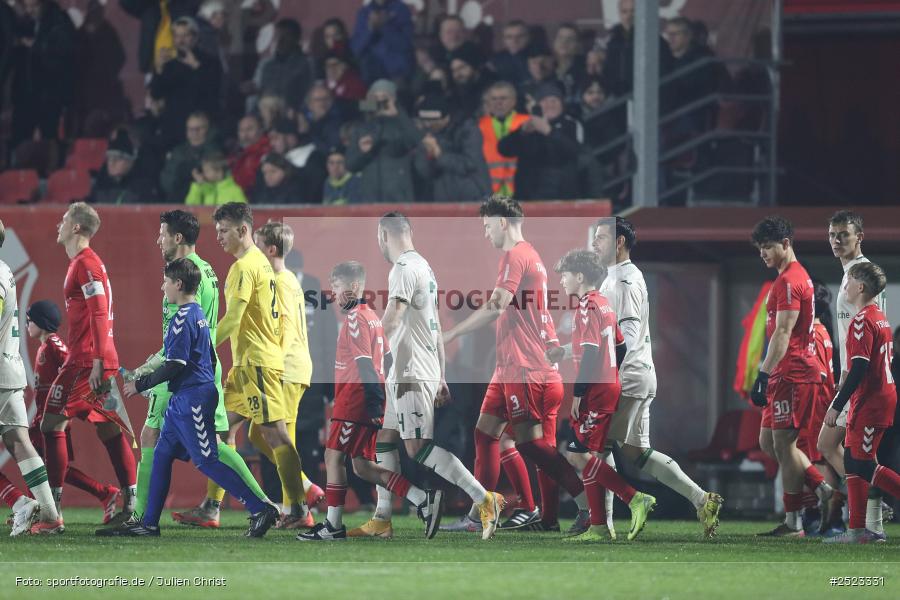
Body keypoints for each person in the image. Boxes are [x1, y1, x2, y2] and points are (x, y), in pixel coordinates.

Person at [98, 210, 267, 532]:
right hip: (192, 369)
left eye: (161, 234)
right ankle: (148, 520)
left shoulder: (192, 278)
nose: (157, 239)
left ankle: (260, 505)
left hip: (186, 374)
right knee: (184, 445)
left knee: (200, 450)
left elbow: (190, 335)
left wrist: (148, 372)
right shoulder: (200, 271)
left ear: (177, 238)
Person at [442, 197, 602, 535]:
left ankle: (589, 506)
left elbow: (496, 305)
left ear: (502, 222)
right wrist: (552, 346)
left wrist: (451, 333)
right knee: (486, 435)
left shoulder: (515, 256)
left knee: (530, 444)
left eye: (487, 226)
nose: (485, 235)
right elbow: (539, 314)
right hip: (511, 367)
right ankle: (485, 512)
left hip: (523, 367)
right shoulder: (533, 257)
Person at [351, 214, 503, 540]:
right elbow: (434, 327)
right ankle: (382, 517)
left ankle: (484, 499)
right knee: (383, 441)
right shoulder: (425, 267)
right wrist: (442, 374)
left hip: (411, 371)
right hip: (410, 370)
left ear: (383, 234)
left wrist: (371, 353)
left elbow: (394, 316)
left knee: (417, 447)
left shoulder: (404, 268)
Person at [570, 217, 723, 538]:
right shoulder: (615, 278)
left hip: (625, 377)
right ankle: (701, 499)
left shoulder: (624, 281)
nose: (594, 244)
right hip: (638, 374)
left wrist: (598, 376)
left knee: (592, 450)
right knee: (635, 452)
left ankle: (602, 524)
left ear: (620, 242)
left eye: (600, 238)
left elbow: (625, 333)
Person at [179, 203, 307, 526]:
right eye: (217, 230)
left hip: (257, 364)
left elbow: (233, 318)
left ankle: (299, 509)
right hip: (247, 364)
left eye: (224, 230)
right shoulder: (262, 263)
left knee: (276, 435)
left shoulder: (243, 268)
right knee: (221, 431)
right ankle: (212, 507)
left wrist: (200, 345)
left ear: (243, 230)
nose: (219, 237)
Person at [298, 260, 444, 541]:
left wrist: (373, 402)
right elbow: (387, 360)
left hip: (354, 401)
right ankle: (422, 500)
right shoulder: (373, 317)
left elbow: (366, 365)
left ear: (353, 286)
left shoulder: (355, 319)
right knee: (362, 467)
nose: (333, 292)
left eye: (337, 285)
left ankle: (333, 526)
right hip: (365, 400)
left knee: (332, 457)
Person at [36, 203, 137, 532]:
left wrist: (96, 361)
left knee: (51, 424)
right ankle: (129, 504)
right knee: (109, 428)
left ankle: (52, 513)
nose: (59, 224)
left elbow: (98, 311)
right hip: (97, 360)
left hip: (85, 362)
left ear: (77, 228)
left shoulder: (85, 263)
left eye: (64, 220)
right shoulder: (85, 263)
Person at [553, 249, 654, 541]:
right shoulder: (605, 305)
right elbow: (620, 347)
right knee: (590, 455)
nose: (562, 281)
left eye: (565, 275)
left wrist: (579, 393)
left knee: (577, 456)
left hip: (596, 391)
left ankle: (635, 498)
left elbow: (591, 353)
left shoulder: (586, 307)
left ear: (580, 276)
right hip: (607, 385)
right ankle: (598, 526)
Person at [750, 215, 832, 537]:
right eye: (760, 248)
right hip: (787, 372)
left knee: (785, 445)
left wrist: (762, 374)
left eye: (767, 247)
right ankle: (823, 490)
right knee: (768, 442)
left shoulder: (788, 281)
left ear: (786, 244)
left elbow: (783, 334)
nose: (763, 254)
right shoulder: (792, 277)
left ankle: (793, 522)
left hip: (793, 373)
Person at [817, 210, 888, 538]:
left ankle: (870, 506)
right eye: (832, 234)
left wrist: (847, 378)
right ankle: (866, 517)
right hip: (855, 378)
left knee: (836, 447)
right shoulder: (852, 274)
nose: (836, 240)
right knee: (843, 450)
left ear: (859, 237)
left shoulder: (861, 275)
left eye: (843, 234)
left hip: (860, 381)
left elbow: (866, 333)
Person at [822, 262, 900, 544]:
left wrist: (835, 404)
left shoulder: (862, 321)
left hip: (872, 401)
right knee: (853, 460)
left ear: (861, 287)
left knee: (862, 463)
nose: (845, 285)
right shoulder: (879, 317)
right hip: (872, 399)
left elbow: (858, 368)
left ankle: (866, 530)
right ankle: (857, 531)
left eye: (849, 280)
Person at [25, 300, 119, 523]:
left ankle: (36, 510)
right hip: (44, 417)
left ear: (41, 322)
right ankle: (103, 493)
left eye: (30, 320)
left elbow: (71, 365)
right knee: (45, 464)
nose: (27, 324)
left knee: (35, 462)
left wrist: (65, 411)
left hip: (52, 417)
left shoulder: (54, 344)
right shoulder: (45, 346)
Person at [252, 222, 319, 529]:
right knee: (259, 434)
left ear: (271, 249)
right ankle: (302, 491)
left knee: (281, 438)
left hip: (285, 368)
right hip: (292, 367)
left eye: (257, 244)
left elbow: (286, 330)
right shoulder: (288, 278)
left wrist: (272, 364)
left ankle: (297, 508)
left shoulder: (279, 281)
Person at [0, 220, 63, 536]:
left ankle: (18, 502)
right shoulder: (6, 270)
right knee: (19, 441)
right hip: (8, 369)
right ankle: (50, 514)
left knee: (20, 441)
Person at [497, 83, 582, 200]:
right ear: (538, 105)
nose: (550, 105)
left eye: (554, 101)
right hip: (528, 198)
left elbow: (574, 151)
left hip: (561, 198)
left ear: (562, 104)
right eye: (545, 101)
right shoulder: (529, 125)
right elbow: (503, 149)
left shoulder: (572, 124)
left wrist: (548, 131)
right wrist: (521, 132)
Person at [9, 0, 76, 149]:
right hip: (26, 94)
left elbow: (64, 53)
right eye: (27, 7)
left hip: (49, 95)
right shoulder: (26, 23)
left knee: (50, 139)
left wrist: (35, 46)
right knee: (20, 140)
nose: (30, 11)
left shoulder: (60, 21)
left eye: (34, 6)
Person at [150, 16, 223, 149]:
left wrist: (196, 67)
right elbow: (156, 94)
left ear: (195, 38)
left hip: (200, 125)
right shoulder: (169, 64)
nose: (181, 40)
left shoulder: (210, 62)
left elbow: (213, 91)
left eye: (185, 35)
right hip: (174, 125)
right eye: (177, 36)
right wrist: (159, 70)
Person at [345, 80, 423, 203]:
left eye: (384, 98)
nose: (380, 102)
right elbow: (350, 165)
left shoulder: (404, 124)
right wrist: (364, 152)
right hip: (371, 197)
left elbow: (417, 142)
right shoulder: (362, 128)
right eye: (375, 98)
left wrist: (399, 114)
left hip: (399, 196)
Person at [412, 94, 490, 203]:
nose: (428, 125)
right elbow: (425, 172)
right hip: (442, 199)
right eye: (424, 121)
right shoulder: (426, 134)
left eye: (432, 121)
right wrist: (429, 155)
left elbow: (469, 164)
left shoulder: (468, 130)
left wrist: (439, 155)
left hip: (473, 197)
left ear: (446, 118)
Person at [603, 0, 673, 97]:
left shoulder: (654, 40)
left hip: (646, 97)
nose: (629, 16)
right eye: (624, 11)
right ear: (619, 13)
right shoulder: (612, 41)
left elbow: (663, 71)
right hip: (618, 99)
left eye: (633, 11)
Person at [479, 82, 530, 196]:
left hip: (522, 191)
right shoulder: (479, 126)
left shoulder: (527, 123)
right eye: (494, 99)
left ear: (513, 101)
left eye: (503, 98)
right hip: (489, 193)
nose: (498, 103)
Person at [252, 19, 313, 110]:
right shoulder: (266, 65)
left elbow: (310, 95)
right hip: (265, 114)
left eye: (286, 36)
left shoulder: (306, 64)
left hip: (292, 116)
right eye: (278, 36)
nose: (280, 40)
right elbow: (258, 90)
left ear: (296, 39)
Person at [160, 112, 220, 203]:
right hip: (178, 202)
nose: (194, 132)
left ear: (207, 129)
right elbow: (167, 178)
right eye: (190, 129)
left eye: (198, 128)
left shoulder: (215, 151)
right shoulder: (177, 152)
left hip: (206, 202)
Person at [89, 129, 161, 204]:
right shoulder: (100, 187)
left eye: (118, 158)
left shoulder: (143, 189)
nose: (111, 162)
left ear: (131, 161)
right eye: (109, 157)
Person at [350, 0, 414, 84]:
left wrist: (384, 26)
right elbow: (356, 49)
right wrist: (370, 29)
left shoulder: (401, 9)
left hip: (397, 74)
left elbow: (405, 45)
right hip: (371, 74)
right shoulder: (364, 13)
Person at [448, 43, 495, 120]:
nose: (457, 74)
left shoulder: (494, 89)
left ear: (475, 65)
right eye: (454, 70)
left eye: (462, 68)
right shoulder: (456, 93)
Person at [230, 114, 270, 195]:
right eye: (241, 130)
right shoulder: (235, 154)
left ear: (261, 130)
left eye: (250, 129)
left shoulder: (267, 152)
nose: (245, 135)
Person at [552, 23, 587, 107]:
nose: (564, 42)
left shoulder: (585, 68)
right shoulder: (545, 67)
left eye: (570, 39)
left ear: (578, 44)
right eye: (560, 38)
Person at [490, 20, 531, 88]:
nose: (514, 41)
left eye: (520, 36)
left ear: (528, 37)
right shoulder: (495, 61)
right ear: (504, 40)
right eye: (509, 37)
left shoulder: (537, 59)